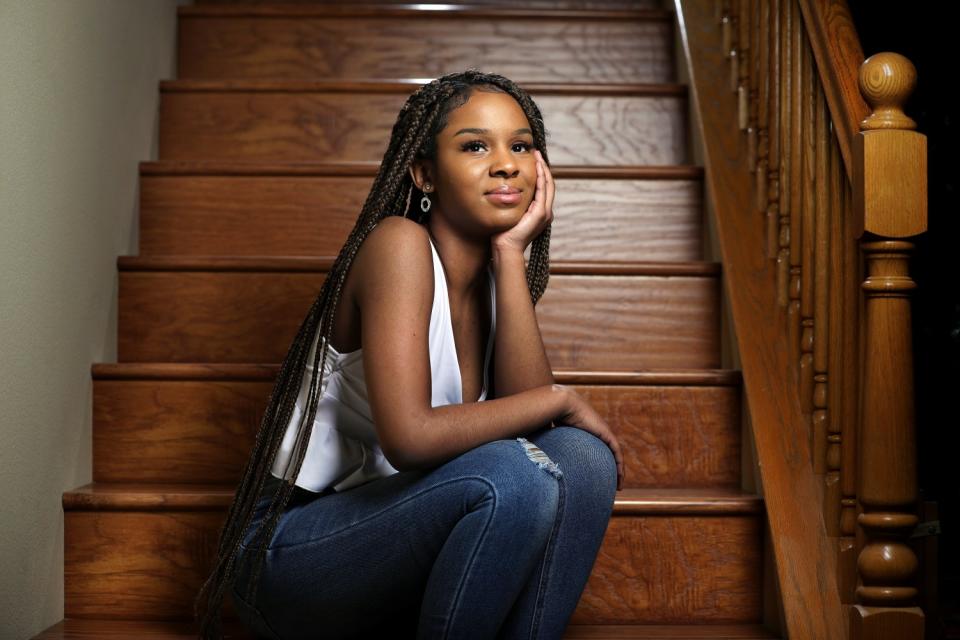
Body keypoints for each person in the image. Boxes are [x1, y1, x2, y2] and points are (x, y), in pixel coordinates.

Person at [194, 69, 624, 640]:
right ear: (424, 173)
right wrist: (561, 397)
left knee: (581, 458)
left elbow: (542, 431)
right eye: (475, 145)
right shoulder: (397, 244)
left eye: (521, 146)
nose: (506, 163)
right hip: (293, 554)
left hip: (401, 544)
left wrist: (511, 256)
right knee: (513, 474)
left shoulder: (497, 283)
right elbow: (412, 437)